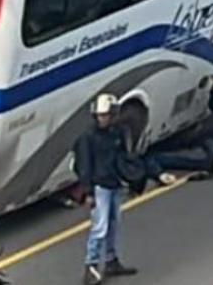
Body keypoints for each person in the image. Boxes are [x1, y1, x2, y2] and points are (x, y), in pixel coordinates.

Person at [73, 94, 139, 284]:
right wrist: (88, 191)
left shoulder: (117, 133)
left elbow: (123, 158)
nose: (103, 119)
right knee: (99, 227)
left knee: (113, 224)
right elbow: (83, 165)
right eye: (101, 115)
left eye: (106, 115)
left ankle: (110, 260)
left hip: (115, 183)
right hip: (100, 186)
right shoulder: (87, 137)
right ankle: (91, 265)